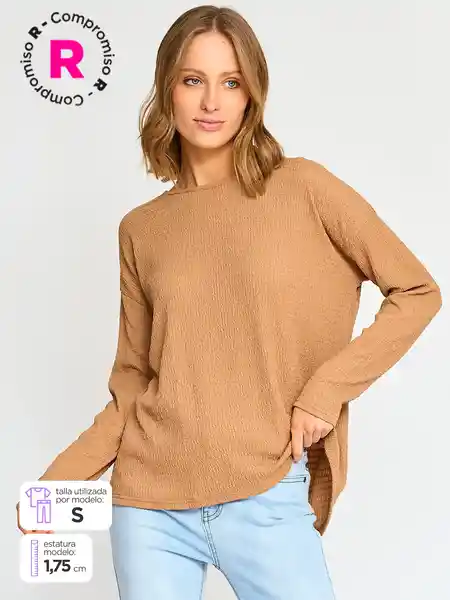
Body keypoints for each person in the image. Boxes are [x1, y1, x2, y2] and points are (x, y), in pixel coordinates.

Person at [17, 5, 442, 599]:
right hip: (149, 507)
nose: (211, 101)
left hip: (265, 491)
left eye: (231, 82)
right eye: (193, 80)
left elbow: (417, 291)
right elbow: (134, 382)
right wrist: (58, 482)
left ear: (251, 95)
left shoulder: (304, 187)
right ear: (167, 89)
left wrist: (325, 392)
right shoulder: (142, 229)